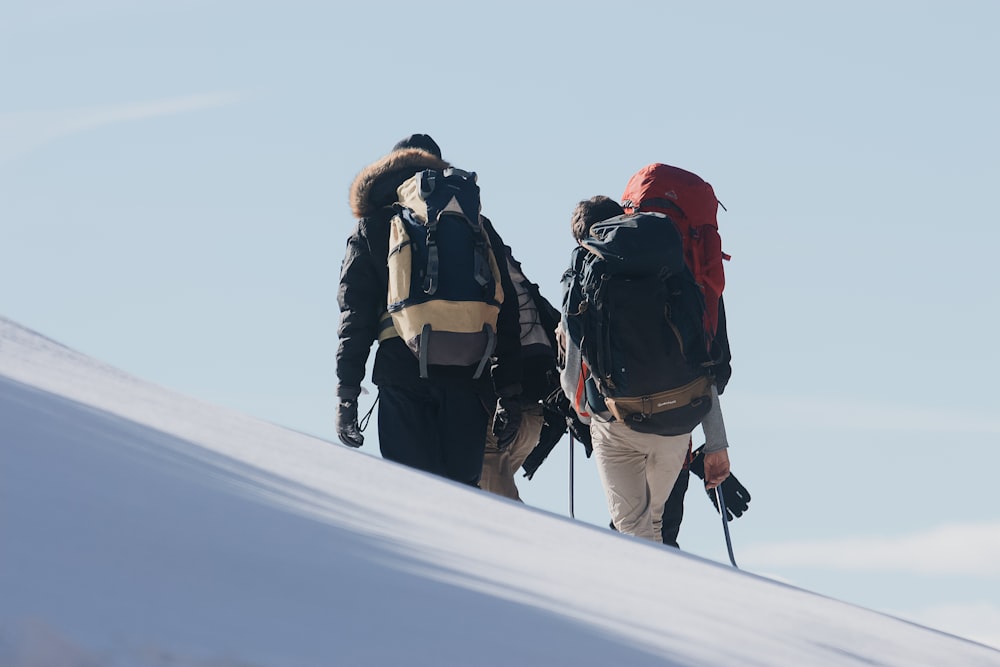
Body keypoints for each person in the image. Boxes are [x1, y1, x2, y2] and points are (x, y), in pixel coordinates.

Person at [335, 134, 523, 486]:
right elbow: (506, 308)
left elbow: (355, 317)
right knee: (461, 496)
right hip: (468, 376)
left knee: (411, 494)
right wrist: (509, 392)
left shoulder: (373, 226)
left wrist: (347, 394)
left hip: (400, 372)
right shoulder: (474, 226)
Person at [559, 196, 731, 543]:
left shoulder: (586, 265)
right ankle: (660, 592)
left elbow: (573, 364)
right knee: (653, 524)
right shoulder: (665, 258)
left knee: (632, 531)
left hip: (619, 422)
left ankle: (644, 596)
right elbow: (700, 357)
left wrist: (585, 412)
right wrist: (717, 441)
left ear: (582, 238)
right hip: (678, 422)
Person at [479, 245, 562, 501]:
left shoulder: (480, 281)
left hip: (497, 414)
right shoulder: (520, 282)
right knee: (485, 500)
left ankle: (530, 538)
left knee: (498, 507)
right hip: (534, 414)